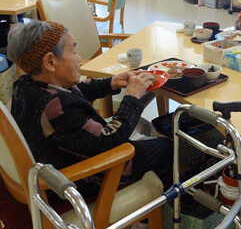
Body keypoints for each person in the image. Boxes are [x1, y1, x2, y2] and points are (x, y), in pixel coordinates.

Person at [6, 20, 173, 191]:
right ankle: (161, 208)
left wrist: (112, 82)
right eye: (74, 51)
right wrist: (132, 97)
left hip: (57, 159)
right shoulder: (55, 109)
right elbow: (108, 141)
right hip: (81, 178)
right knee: (166, 148)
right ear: (50, 62)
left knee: (145, 134)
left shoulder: (26, 84)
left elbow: (77, 91)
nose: (79, 58)